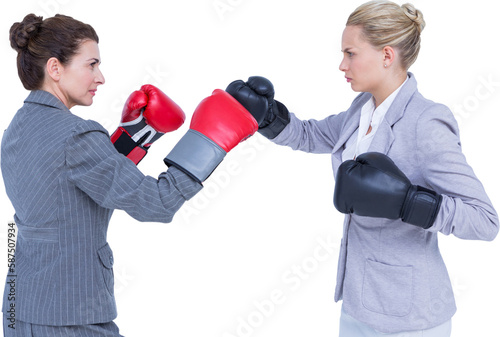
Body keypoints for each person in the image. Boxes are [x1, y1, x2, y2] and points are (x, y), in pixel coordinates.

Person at [226, 1, 499, 336]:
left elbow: (485, 221)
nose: (342, 64)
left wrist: (409, 203)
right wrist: (266, 116)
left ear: (387, 55)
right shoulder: (363, 107)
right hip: (358, 304)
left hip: (411, 317)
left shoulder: (426, 121)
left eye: (350, 53)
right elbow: (311, 134)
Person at [2, 13, 257, 336]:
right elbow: (157, 204)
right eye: (91, 64)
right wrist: (208, 139)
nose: (101, 77)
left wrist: (136, 135)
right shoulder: (77, 135)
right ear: (55, 69)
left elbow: (79, 182)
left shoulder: (16, 128)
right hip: (72, 314)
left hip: (19, 309)